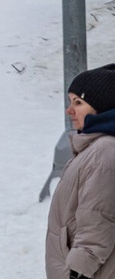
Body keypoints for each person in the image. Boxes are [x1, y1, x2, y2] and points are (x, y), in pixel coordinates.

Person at [45, 64, 115, 279]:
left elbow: (98, 218)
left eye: (78, 102)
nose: (69, 110)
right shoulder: (94, 147)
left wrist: (79, 272)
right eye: (70, 101)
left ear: (101, 108)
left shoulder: (104, 151)